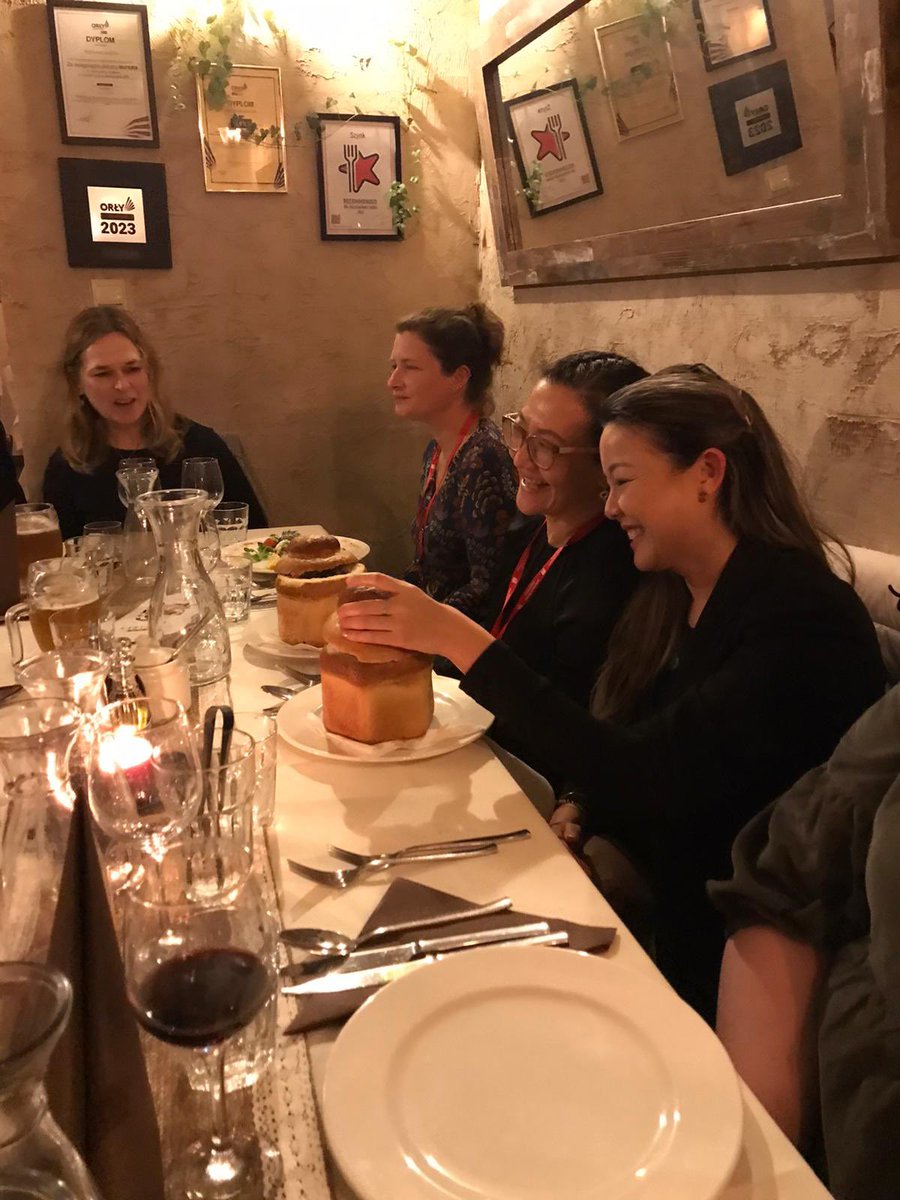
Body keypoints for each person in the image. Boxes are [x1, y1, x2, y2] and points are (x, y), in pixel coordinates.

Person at [337, 368, 885, 1018]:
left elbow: (656, 774)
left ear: (707, 473)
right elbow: (625, 736)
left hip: (740, 956)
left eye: (623, 482)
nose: (613, 506)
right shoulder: (674, 588)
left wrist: (460, 641)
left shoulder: (798, 617)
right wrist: (580, 806)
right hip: (651, 898)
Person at [711, 684, 900, 1200]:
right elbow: (787, 884)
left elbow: (653, 768)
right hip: (829, 1142)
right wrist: (755, 1163)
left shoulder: (803, 615)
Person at [477, 350, 646, 775]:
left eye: (545, 447)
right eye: (520, 431)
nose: (519, 459)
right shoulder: (529, 529)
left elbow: (567, 733)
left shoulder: (611, 570)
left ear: (604, 465)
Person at [43, 306, 267, 539]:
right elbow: (61, 563)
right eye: (102, 374)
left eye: (132, 369)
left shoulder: (201, 446)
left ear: (149, 371)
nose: (122, 385)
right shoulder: (66, 468)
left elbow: (255, 536)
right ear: (77, 382)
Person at [390, 304, 518, 617]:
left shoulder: (483, 458)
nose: (393, 381)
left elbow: (487, 589)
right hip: (433, 627)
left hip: (462, 647)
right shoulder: (436, 450)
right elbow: (427, 571)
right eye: (393, 366)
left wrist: (411, 621)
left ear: (458, 377)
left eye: (410, 367)